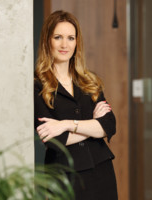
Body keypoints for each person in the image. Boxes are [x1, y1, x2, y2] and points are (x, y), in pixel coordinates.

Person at [34, 10, 118, 200]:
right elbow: (54, 139)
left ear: (77, 43)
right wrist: (93, 125)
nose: (65, 44)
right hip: (64, 176)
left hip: (101, 172)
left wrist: (65, 124)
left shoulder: (90, 81)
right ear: (48, 41)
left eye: (71, 38)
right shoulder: (37, 85)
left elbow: (109, 125)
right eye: (58, 37)